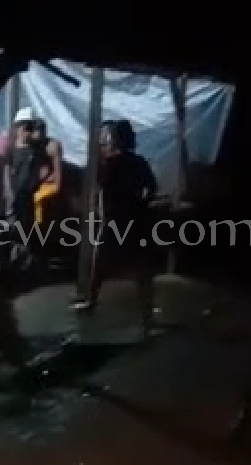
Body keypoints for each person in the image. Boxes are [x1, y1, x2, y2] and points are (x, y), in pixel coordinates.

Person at [72, 120, 158, 330]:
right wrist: (142, 200)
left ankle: (92, 300)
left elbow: (102, 184)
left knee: (103, 263)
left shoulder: (113, 162)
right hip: (131, 218)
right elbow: (151, 188)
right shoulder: (135, 162)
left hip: (117, 219)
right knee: (138, 267)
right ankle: (146, 311)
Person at [5, 108, 45, 233]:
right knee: (13, 220)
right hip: (14, 191)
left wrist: (34, 185)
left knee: (26, 221)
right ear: (17, 129)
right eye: (25, 128)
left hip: (28, 193)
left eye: (30, 128)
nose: (27, 132)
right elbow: (7, 169)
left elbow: (38, 169)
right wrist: (9, 190)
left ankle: (25, 240)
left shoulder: (35, 149)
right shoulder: (12, 148)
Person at [31, 118, 62, 223]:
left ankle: (38, 224)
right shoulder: (30, 145)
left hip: (47, 184)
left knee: (37, 197)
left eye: (40, 130)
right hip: (33, 182)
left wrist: (52, 177)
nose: (38, 133)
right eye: (35, 130)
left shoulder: (51, 146)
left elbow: (58, 177)